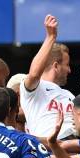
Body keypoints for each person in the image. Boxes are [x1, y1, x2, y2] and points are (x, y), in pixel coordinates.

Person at [21, 14, 75, 142]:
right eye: (67, 65)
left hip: (75, 152)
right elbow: (34, 74)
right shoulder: (35, 89)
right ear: (56, 66)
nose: (69, 70)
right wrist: (51, 37)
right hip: (48, 153)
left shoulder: (70, 95)